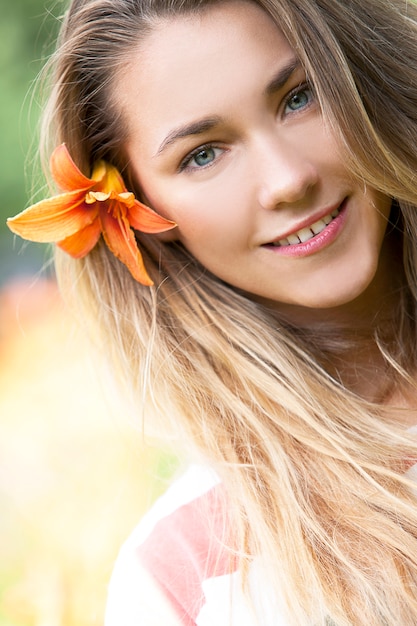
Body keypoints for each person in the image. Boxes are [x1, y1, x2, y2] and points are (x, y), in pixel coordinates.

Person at [7, 0, 417, 623]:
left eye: (299, 96)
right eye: (203, 154)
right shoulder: (184, 579)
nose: (287, 180)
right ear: (140, 213)